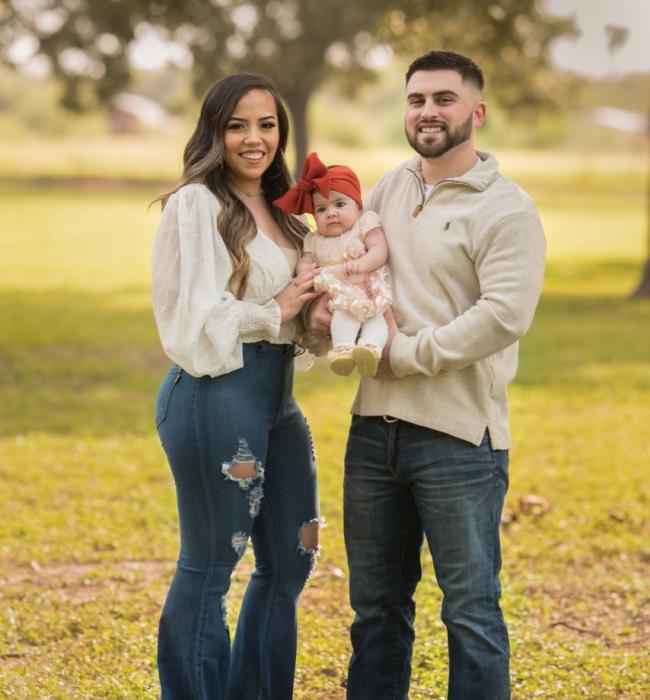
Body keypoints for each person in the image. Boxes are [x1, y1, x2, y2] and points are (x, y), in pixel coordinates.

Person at [307, 50, 546, 699]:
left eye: (444, 98)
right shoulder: (387, 189)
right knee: (377, 614)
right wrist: (324, 310)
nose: (428, 111)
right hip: (372, 437)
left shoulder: (507, 210)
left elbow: (502, 315)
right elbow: (352, 262)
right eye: (417, 99)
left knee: (471, 613)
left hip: (458, 439)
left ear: (477, 111)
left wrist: (403, 356)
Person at [151, 72, 324, 700]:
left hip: (278, 401)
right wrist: (274, 309)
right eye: (237, 125)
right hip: (214, 394)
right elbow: (191, 321)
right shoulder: (197, 203)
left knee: (291, 559)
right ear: (214, 132)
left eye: (268, 124)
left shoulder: (285, 212)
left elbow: (294, 310)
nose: (255, 139)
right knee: (211, 562)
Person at [274, 152, 391, 377]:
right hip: (339, 293)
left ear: (358, 207)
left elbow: (379, 249)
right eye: (321, 209)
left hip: (366, 288)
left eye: (339, 204)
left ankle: (371, 348)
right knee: (342, 315)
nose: (331, 213)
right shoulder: (315, 239)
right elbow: (306, 259)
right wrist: (303, 269)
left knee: (376, 318)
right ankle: (343, 351)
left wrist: (364, 263)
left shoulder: (363, 225)